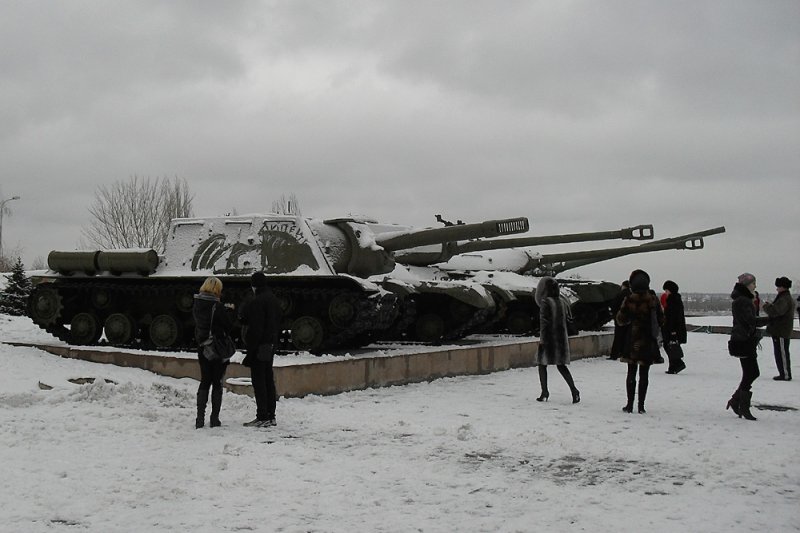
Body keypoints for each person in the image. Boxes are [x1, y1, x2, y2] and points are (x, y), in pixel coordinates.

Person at [615, 269, 663, 414]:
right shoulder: (653, 299)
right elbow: (661, 320)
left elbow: (620, 320)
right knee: (644, 374)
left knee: (631, 373)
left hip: (632, 340)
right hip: (648, 340)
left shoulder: (629, 299)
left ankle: (629, 405)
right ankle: (641, 406)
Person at [239, 271, 283, 428]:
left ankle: (262, 416)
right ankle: (271, 415)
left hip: (260, 346)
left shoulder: (257, 301)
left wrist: (251, 350)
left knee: (259, 382)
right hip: (270, 345)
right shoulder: (273, 299)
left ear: (254, 285)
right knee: (268, 380)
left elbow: (255, 329)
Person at [192, 276, 234, 429]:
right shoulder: (218, 307)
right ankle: (214, 418)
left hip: (203, 347)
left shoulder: (197, 303)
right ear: (217, 290)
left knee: (205, 380)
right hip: (216, 348)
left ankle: (199, 419)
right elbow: (228, 326)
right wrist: (229, 312)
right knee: (217, 382)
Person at [726, 273, 769, 421]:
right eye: (753, 283)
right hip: (743, 340)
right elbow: (749, 320)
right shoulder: (742, 301)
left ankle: (737, 401)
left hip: (746, 340)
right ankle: (740, 404)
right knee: (751, 372)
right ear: (747, 285)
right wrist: (770, 319)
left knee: (751, 372)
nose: (755, 286)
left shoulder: (744, 299)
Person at [533, 277, 580, 404]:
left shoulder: (545, 302)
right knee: (561, 365)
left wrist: (542, 339)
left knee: (542, 364)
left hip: (548, 338)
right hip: (561, 338)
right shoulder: (562, 301)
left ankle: (544, 392)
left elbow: (544, 323)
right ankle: (574, 390)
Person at [762, 276, 795, 381]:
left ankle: (785, 374)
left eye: (778, 286)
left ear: (783, 287)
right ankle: (783, 373)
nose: (776, 289)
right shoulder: (784, 297)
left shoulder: (784, 299)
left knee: (782, 353)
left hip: (781, 330)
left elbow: (776, 311)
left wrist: (766, 307)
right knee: (780, 352)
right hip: (780, 330)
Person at [661, 280, 688, 374]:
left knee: (670, 346)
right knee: (671, 346)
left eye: (666, 291)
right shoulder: (675, 299)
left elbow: (673, 317)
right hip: (674, 328)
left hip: (672, 329)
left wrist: (672, 330)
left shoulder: (673, 301)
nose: (666, 293)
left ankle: (677, 364)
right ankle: (673, 366)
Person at [608, 280, 631, 360]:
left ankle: (614, 354)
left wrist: (615, 315)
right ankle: (624, 353)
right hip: (629, 319)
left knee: (618, 337)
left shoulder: (620, 294)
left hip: (620, 318)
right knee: (626, 337)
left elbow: (613, 305)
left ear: (623, 286)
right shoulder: (632, 295)